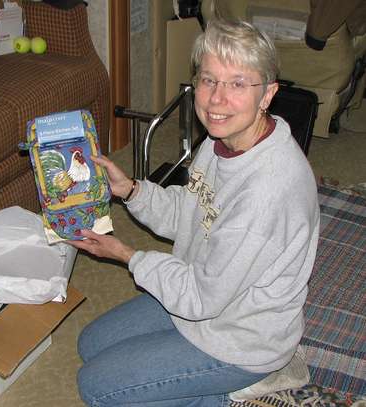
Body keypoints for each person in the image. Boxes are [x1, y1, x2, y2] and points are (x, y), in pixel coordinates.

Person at [68, 16, 320, 407]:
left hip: (240, 337)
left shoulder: (267, 192)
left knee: (96, 387)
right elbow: (192, 211)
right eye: (208, 80)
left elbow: (199, 298)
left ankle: (238, 389)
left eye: (238, 83)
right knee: (91, 344)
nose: (216, 100)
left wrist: (126, 254)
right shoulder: (224, 138)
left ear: (267, 94)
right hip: (204, 293)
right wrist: (131, 190)